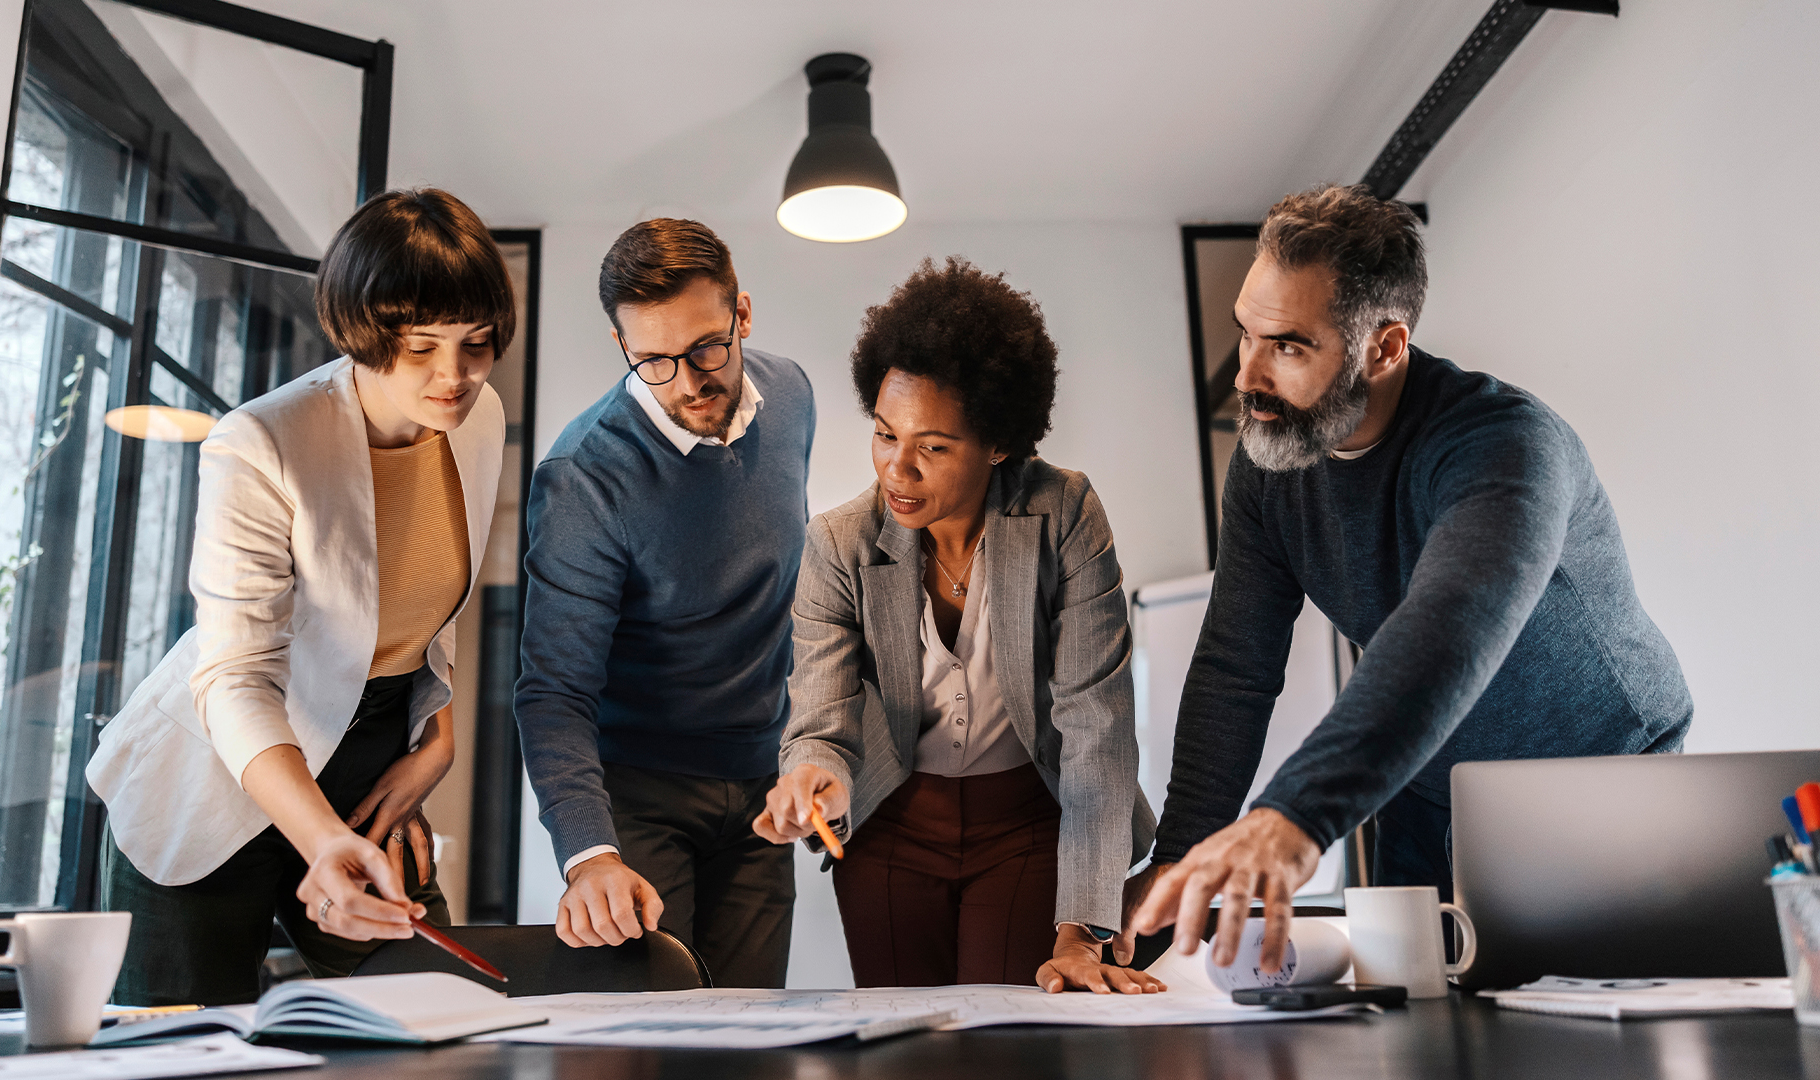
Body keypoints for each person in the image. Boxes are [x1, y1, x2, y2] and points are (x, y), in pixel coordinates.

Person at [1127, 184, 1693, 973]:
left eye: (1288, 346)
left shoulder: (1505, 446)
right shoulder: (1268, 467)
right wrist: (1174, 869)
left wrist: (1294, 815)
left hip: (1594, 782)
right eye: (1244, 335)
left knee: (1581, 1031)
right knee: (1415, 1020)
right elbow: (1235, 670)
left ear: (1385, 348)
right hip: (1426, 787)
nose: (1246, 377)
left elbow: (1450, 625)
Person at [86, 189, 514, 1005]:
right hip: (223, 772)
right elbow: (235, 677)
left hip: (367, 761)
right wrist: (319, 837)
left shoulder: (479, 418)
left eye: (477, 343)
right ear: (361, 333)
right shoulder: (263, 443)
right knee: (189, 1053)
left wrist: (437, 738)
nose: (454, 375)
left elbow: (427, 610)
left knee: (438, 1017)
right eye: (421, 347)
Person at [755, 257, 1161, 993]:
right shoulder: (837, 542)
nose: (896, 471)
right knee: (905, 1041)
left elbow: (1095, 723)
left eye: (933, 448)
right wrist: (811, 774)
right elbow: (823, 714)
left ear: (999, 443)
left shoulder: (1063, 513)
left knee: (1009, 1041)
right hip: (891, 827)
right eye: (884, 435)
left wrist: (1079, 933)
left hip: (1029, 828)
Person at [515, 219, 815, 988]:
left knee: (753, 1033)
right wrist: (590, 855)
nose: (687, 381)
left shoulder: (792, 397)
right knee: (654, 1035)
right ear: (623, 348)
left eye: (707, 348)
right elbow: (554, 690)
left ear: (742, 315)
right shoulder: (584, 477)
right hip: (638, 796)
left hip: (760, 785)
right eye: (653, 360)